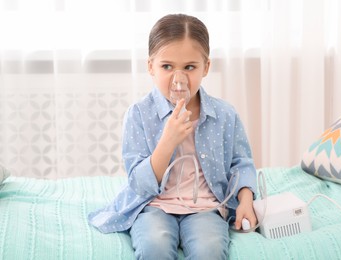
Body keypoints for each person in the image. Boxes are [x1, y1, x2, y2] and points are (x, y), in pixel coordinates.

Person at [88, 13, 257, 259]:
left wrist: (245, 202)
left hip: (205, 208)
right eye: (167, 66)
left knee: (209, 250)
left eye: (189, 67)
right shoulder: (139, 115)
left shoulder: (224, 115)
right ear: (151, 67)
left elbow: (241, 163)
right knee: (154, 246)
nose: (178, 80)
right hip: (154, 205)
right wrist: (167, 141)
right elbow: (139, 183)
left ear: (206, 67)